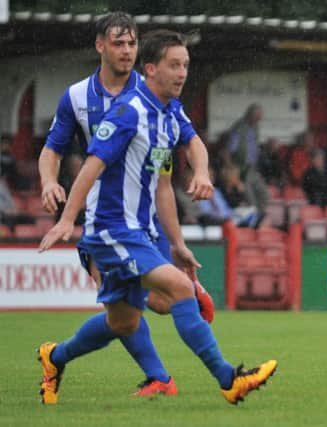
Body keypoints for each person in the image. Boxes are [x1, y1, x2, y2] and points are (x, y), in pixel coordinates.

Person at [37, 29, 277, 405]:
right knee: (179, 291)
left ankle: (55, 358)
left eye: (185, 65)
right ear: (150, 69)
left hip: (141, 231)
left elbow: (162, 186)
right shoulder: (127, 112)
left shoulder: (167, 115)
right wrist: (68, 219)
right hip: (111, 229)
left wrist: (178, 242)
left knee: (124, 322)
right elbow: (90, 167)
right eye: (174, 65)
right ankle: (230, 379)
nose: (182, 73)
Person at [37, 12, 214, 399]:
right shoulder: (78, 97)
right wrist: (51, 183)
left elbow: (168, 171)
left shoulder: (153, 90)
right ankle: (160, 378)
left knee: (141, 311)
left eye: (132, 43)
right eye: (118, 43)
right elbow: (52, 150)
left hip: (145, 220)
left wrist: (199, 175)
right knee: (143, 305)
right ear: (100, 45)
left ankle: (58, 356)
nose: (127, 51)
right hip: (103, 219)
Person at [226, 103, 270, 225]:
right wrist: (231, 169)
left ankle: (260, 217)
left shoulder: (255, 127)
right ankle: (255, 222)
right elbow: (228, 151)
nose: (259, 120)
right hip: (241, 169)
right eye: (257, 117)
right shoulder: (238, 128)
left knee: (264, 194)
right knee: (249, 197)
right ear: (250, 115)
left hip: (253, 168)